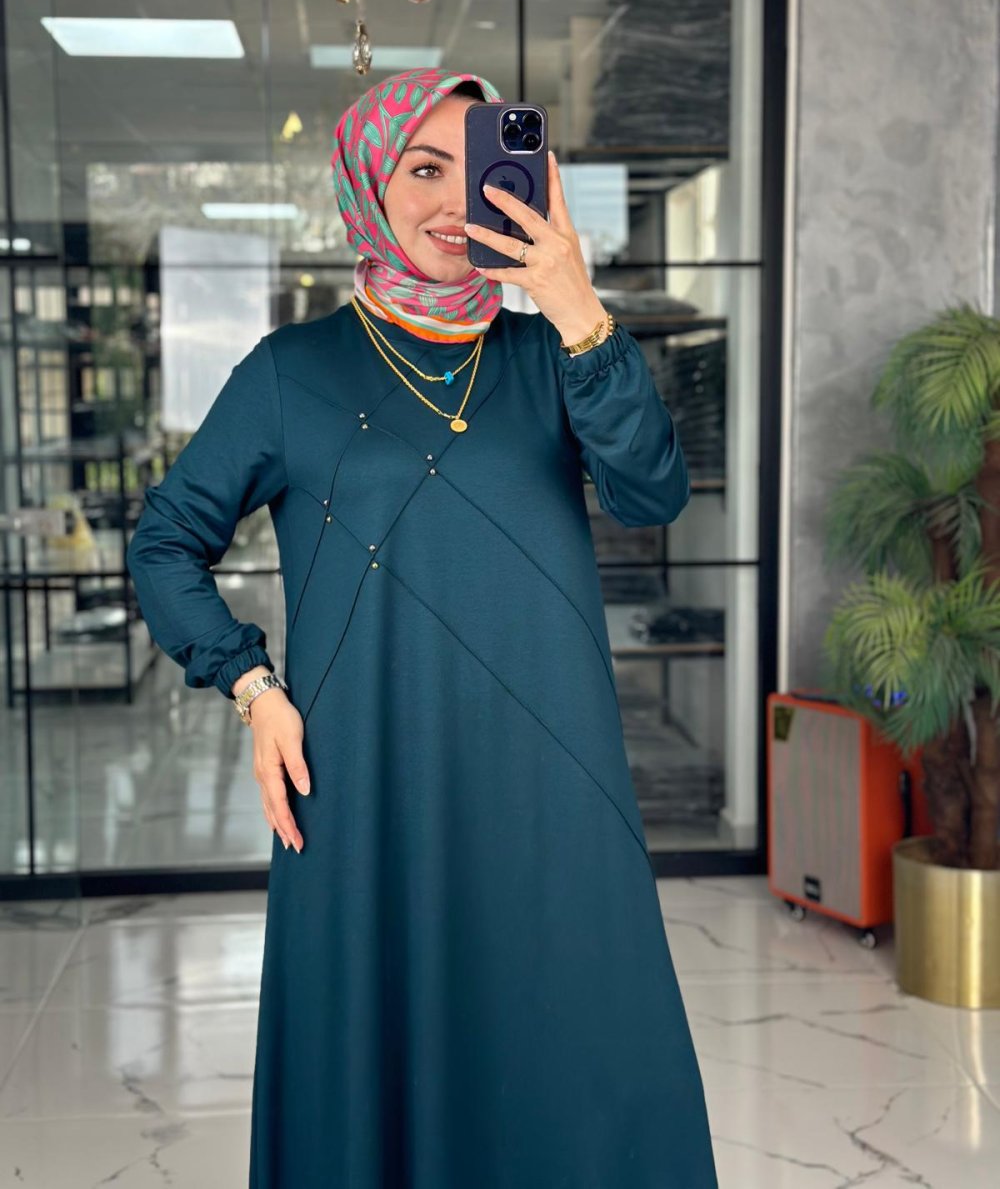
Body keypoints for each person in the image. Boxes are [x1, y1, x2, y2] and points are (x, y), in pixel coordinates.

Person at [126, 68, 718, 1187]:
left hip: (551, 790)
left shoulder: (557, 358)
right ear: (369, 181)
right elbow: (164, 541)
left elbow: (652, 494)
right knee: (380, 1076)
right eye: (423, 168)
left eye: (477, 166)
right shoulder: (293, 371)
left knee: (584, 1068)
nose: (454, 201)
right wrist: (253, 688)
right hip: (368, 791)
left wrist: (577, 306)